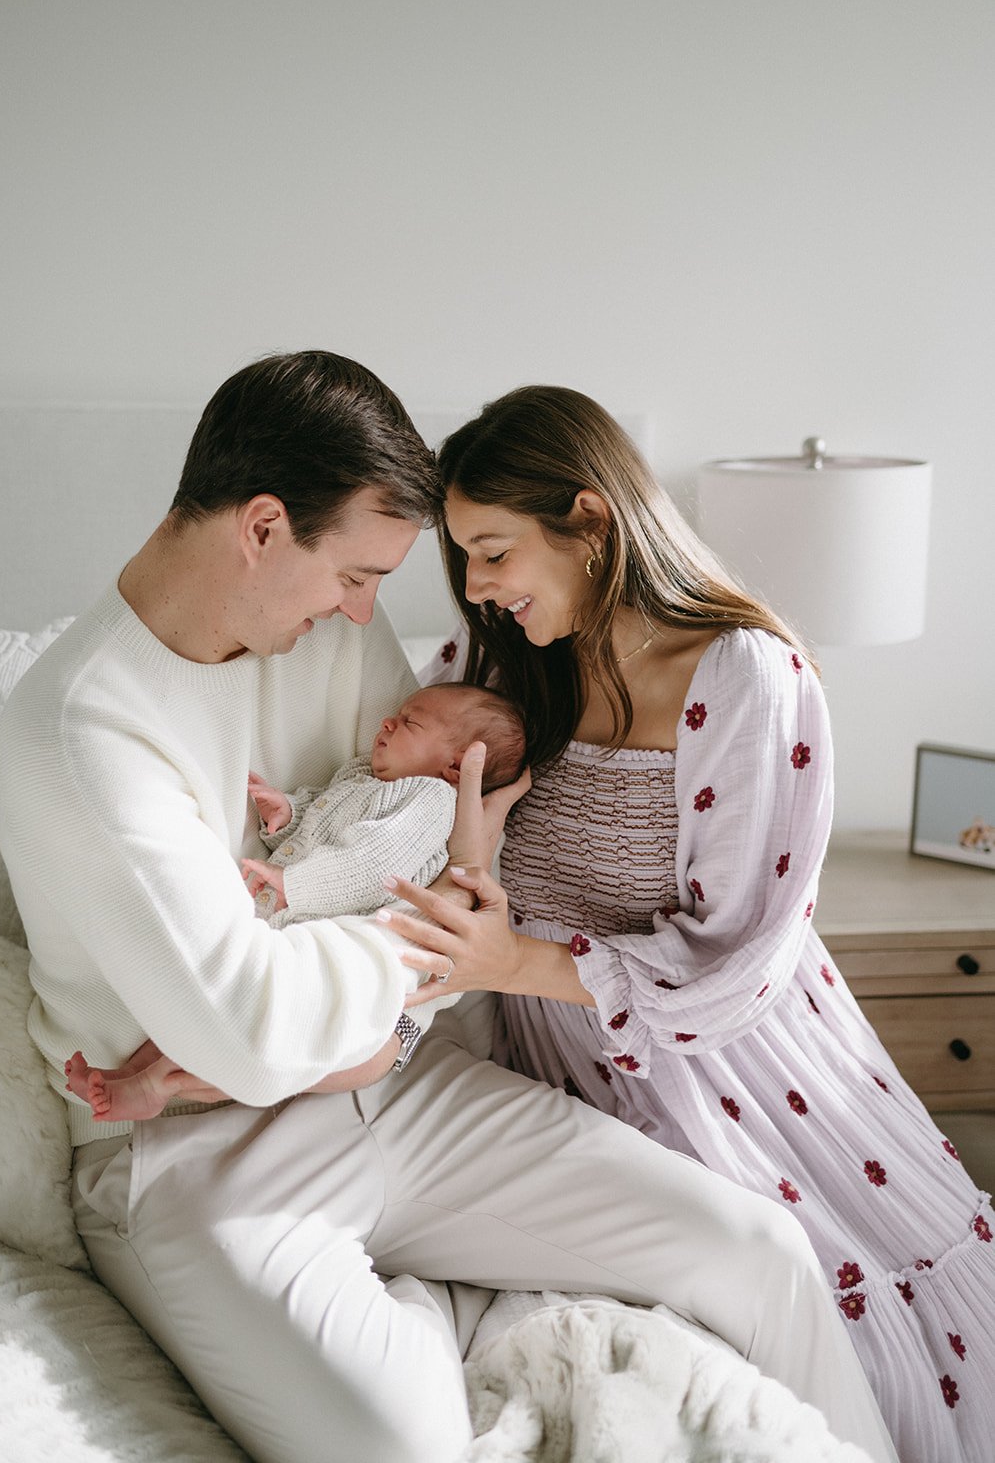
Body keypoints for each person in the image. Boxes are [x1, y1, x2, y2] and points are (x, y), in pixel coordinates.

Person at [0, 352, 898, 1463]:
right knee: (399, 1445)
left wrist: (406, 984)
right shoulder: (85, 736)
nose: (369, 613)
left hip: (407, 1085)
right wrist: (431, 960)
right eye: (356, 576)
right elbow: (262, 1026)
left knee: (763, 1255)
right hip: (186, 1150)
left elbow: (436, 856)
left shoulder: (322, 624)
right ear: (264, 528)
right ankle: (441, 1323)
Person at [384, 381, 994, 1463]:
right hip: (556, 1068)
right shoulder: (492, 671)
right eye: (462, 558)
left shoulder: (744, 675)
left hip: (738, 1072)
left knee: (822, 1306)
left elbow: (737, 963)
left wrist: (510, 955)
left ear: (587, 519)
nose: (474, 590)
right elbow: (393, 821)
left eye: (491, 551)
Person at [64, 681, 525, 1123]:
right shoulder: (363, 774)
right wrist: (287, 812)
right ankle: (130, 1075)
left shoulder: (430, 799)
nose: (387, 722)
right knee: (212, 1010)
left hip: (360, 976)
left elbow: (374, 866)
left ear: (455, 766)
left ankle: (153, 1087)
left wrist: (295, 883)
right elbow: (325, 816)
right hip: (304, 926)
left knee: (247, 1032)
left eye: (409, 722)